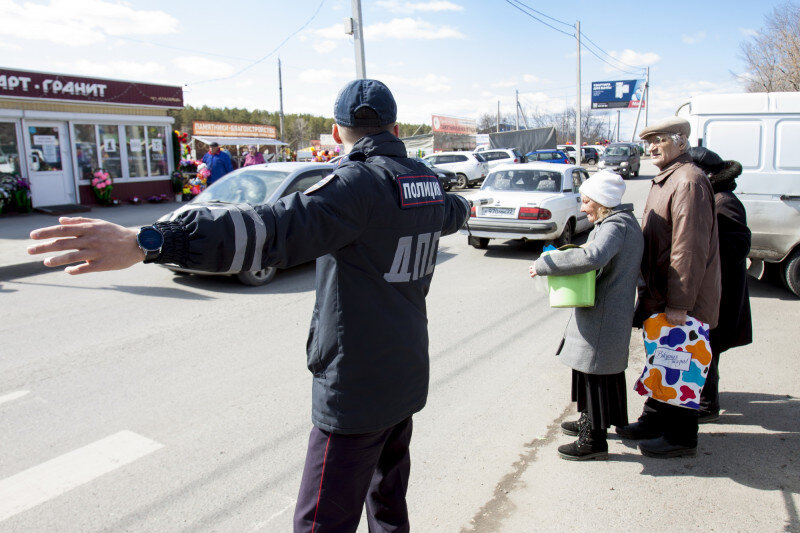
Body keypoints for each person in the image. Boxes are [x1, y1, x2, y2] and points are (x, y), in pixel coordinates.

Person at [27, 79, 470, 532]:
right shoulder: (423, 184)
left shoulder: (358, 185)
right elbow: (454, 210)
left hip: (356, 390)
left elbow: (268, 231)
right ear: (395, 128)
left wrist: (149, 241)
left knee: (321, 522)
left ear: (337, 133)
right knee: (388, 506)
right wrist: (467, 204)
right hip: (406, 373)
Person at [617, 117, 721, 458]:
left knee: (680, 364)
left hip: (679, 297)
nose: (651, 147)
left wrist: (680, 303)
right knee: (664, 360)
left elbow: (688, 248)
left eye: (659, 140)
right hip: (661, 293)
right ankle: (654, 419)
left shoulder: (688, 181)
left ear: (680, 142)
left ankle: (680, 435)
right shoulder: (670, 178)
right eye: (648, 141)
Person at [529, 170, 644, 461]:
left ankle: (593, 439)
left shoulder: (615, 225)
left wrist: (547, 263)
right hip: (606, 310)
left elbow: (592, 256)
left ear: (602, 202)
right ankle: (589, 421)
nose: (582, 208)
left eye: (586, 201)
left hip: (604, 313)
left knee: (595, 372)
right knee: (594, 371)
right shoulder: (618, 222)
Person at [689, 146, 752, 423]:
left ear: (706, 174)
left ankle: (707, 404)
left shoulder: (723, 201)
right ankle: (705, 398)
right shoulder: (714, 197)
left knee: (709, 344)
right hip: (716, 286)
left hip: (722, 289)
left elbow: (739, 244)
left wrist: (706, 255)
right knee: (707, 343)